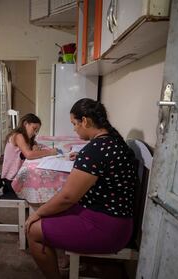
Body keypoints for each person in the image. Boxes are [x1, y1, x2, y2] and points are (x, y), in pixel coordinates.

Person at [25, 98, 139, 278]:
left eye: (74, 124)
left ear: (85, 121)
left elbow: (68, 198)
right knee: (51, 209)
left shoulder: (95, 150)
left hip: (108, 228)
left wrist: (37, 214)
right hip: (118, 219)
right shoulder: (114, 142)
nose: (74, 129)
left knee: (32, 230)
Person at [1, 113, 58, 194]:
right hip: (11, 181)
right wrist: (50, 152)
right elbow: (29, 155)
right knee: (40, 186)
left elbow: (33, 143)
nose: (35, 133)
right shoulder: (18, 136)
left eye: (37, 131)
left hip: (17, 177)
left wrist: (34, 145)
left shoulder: (26, 137)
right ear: (25, 124)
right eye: (34, 129)